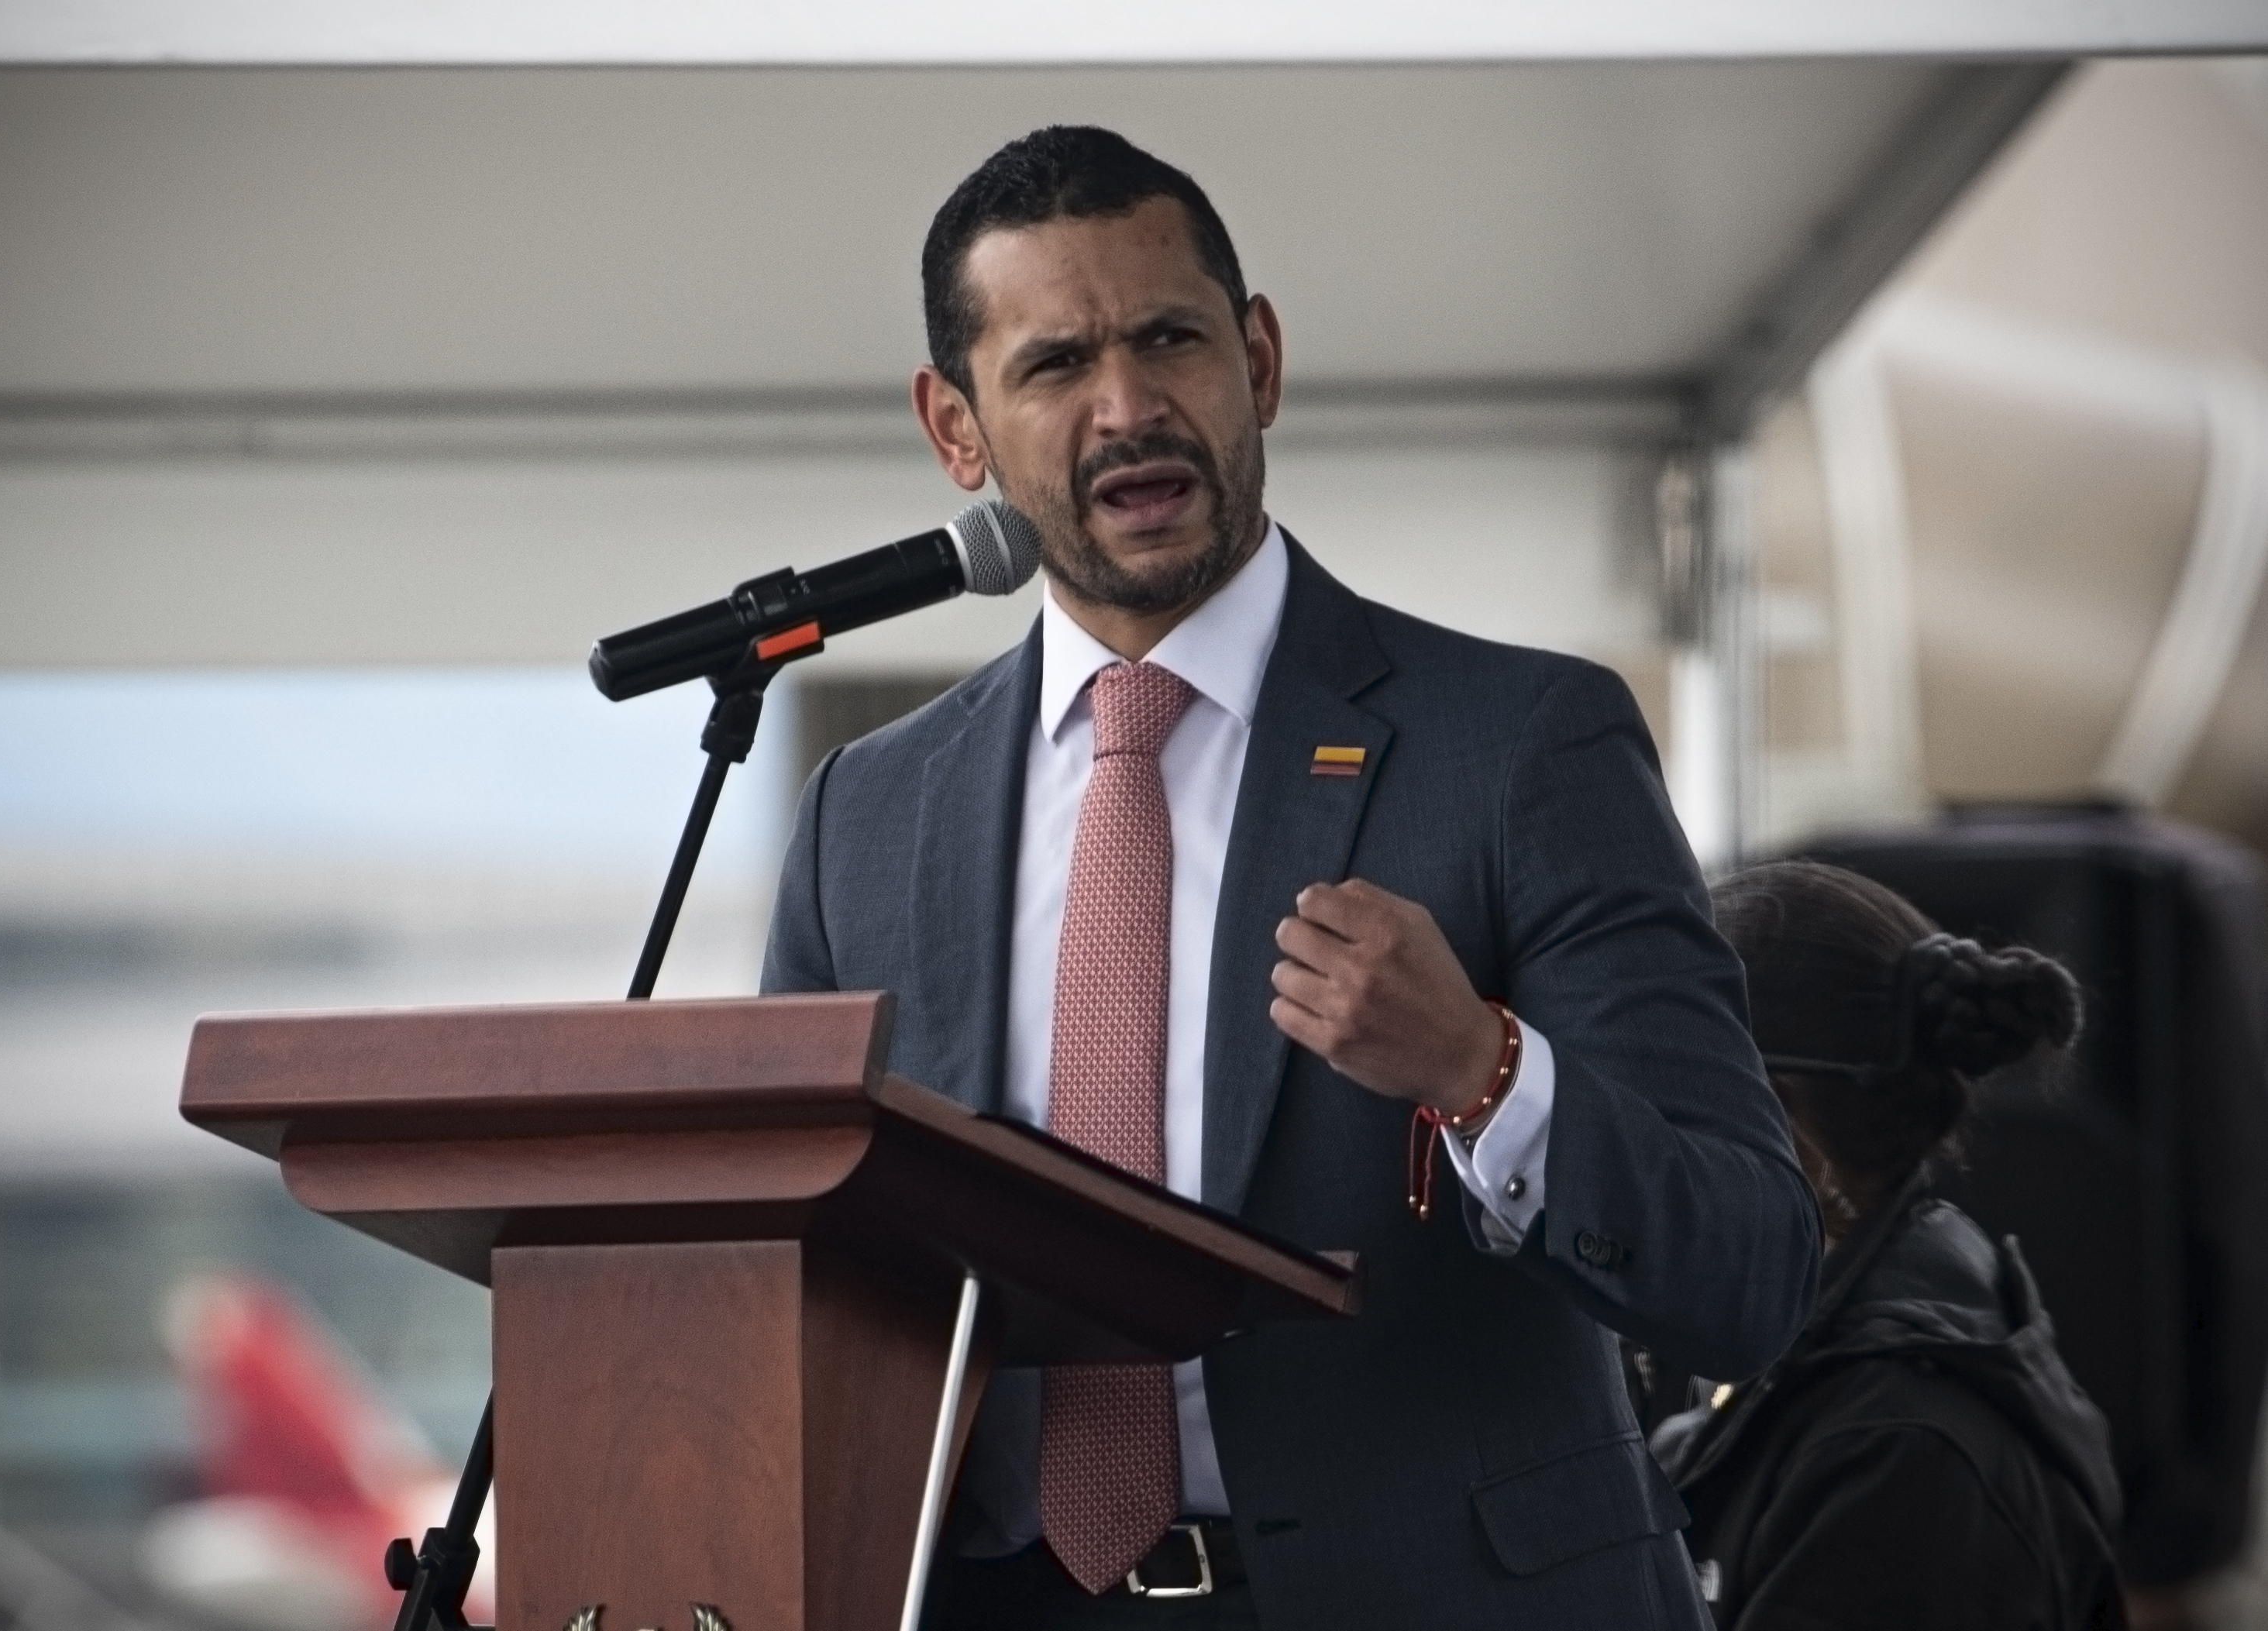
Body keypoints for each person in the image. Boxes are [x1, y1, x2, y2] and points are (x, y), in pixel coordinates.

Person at [762, 125, 1819, 1626]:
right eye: (1057, 365)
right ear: (956, 429)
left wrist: (1480, 1065)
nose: (1129, 408)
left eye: (1171, 339)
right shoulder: (868, 810)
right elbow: (801, 1261)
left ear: (1257, 359)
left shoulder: (1522, 745)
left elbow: (1749, 1266)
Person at [1650, 860, 2125, 1628]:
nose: (1630, 1153)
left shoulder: (1898, 1455)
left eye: (1657, 1099)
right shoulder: (1830, 1345)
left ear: (1771, 1120)